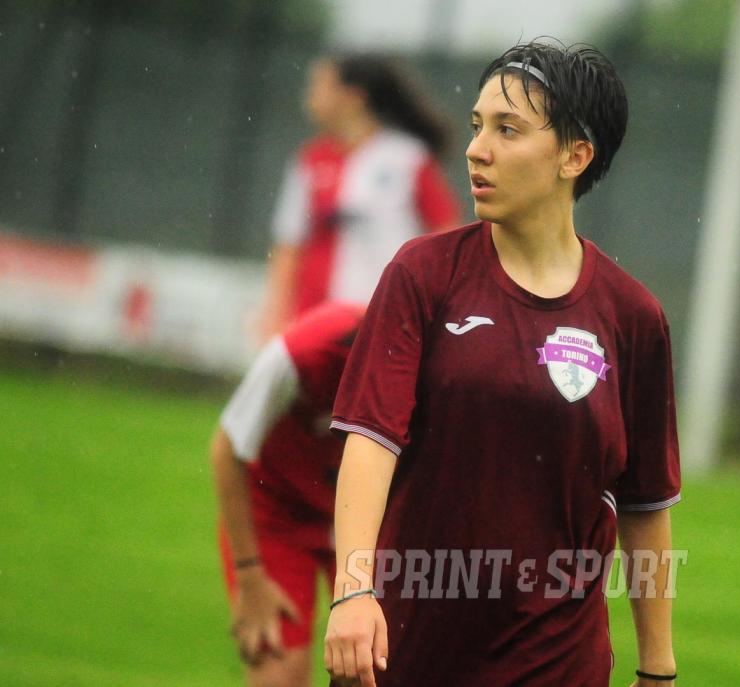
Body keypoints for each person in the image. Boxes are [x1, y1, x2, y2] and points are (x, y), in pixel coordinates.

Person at [323, 40, 681, 687]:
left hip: (558, 662)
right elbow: (370, 442)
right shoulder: (422, 275)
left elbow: (646, 501)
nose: (476, 149)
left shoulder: (633, 318)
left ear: (574, 156)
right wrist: (353, 591)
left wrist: (657, 669)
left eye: (507, 129)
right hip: (407, 650)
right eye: (477, 126)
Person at [256, 54, 460, 342]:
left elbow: (446, 233)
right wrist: (274, 311)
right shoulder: (311, 160)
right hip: (313, 317)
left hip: (384, 318)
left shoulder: (408, 158)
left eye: (319, 86)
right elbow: (289, 244)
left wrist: (434, 303)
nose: (309, 96)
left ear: (353, 97)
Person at [211, 301, 363, 686]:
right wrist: (250, 577)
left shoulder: (433, 364)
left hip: (366, 521)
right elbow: (227, 449)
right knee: (278, 673)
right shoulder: (302, 352)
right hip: (277, 516)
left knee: (372, 667)